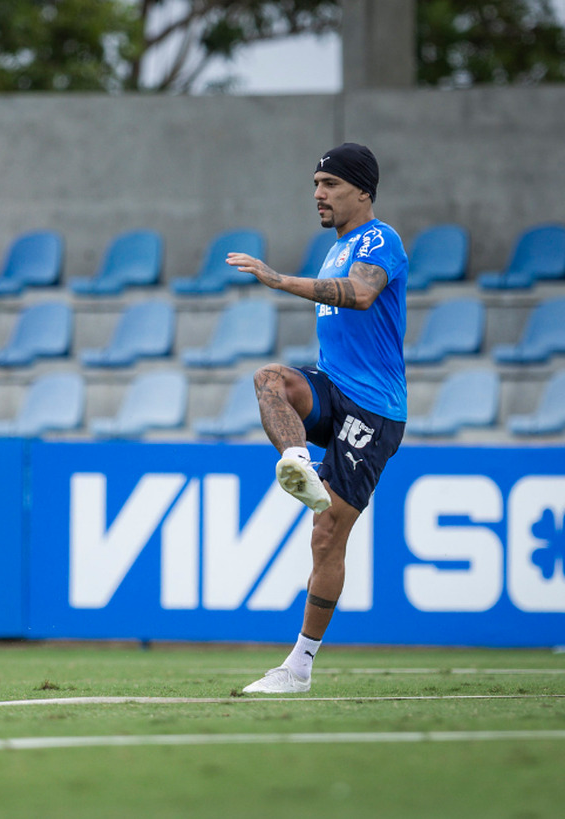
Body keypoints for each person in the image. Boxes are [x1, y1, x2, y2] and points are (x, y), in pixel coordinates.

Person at [225, 143, 409, 694]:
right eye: (314, 184)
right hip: (333, 388)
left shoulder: (381, 239)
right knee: (270, 380)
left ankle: (299, 667)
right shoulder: (336, 247)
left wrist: (281, 281)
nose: (318, 195)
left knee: (328, 535)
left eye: (328, 184)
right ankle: (297, 461)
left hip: (373, 409)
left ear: (362, 190)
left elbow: (360, 294)